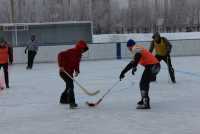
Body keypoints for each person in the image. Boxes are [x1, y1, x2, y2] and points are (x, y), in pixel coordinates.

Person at [119, 39, 160, 109]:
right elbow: (131, 63)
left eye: (128, 47)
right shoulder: (137, 49)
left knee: (143, 83)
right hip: (155, 66)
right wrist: (123, 72)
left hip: (153, 66)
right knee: (145, 83)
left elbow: (138, 56)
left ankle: (146, 103)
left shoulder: (135, 48)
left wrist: (135, 66)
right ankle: (144, 99)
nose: (128, 49)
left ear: (130, 46)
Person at [57, 40, 89, 109]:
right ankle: (72, 102)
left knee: (69, 86)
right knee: (70, 86)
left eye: (84, 49)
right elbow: (60, 54)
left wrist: (77, 71)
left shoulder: (79, 55)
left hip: (70, 73)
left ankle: (63, 99)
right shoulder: (72, 51)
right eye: (83, 49)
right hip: (64, 72)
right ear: (80, 47)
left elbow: (77, 64)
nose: (84, 51)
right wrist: (61, 65)